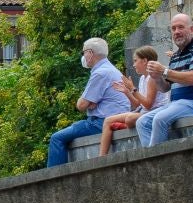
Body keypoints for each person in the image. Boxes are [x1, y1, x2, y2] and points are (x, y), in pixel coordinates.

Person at [136, 13, 193, 146]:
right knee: (142, 122)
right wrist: (157, 77)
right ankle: (152, 159)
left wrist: (164, 71)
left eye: (181, 27)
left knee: (160, 119)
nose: (176, 32)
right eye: (173, 28)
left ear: (192, 30)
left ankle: (158, 161)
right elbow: (165, 88)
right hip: (177, 103)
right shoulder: (176, 56)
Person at [45, 38, 131, 167]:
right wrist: (90, 102)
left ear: (90, 53)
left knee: (57, 138)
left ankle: (53, 180)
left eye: (83, 52)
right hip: (113, 119)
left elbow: (81, 105)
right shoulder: (111, 69)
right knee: (76, 125)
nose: (83, 56)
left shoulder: (100, 73)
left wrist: (89, 103)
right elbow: (87, 103)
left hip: (100, 123)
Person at [98, 45, 169, 156]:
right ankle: (101, 157)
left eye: (136, 61)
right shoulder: (142, 78)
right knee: (108, 120)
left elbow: (149, 105)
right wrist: (127, 92)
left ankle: (125, 125)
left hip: (155, 112)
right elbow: (138, 105)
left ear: (145, 61)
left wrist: (133, 89)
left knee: (130, 118)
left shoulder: (152, 78)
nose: (134, 64)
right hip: (144, 111)